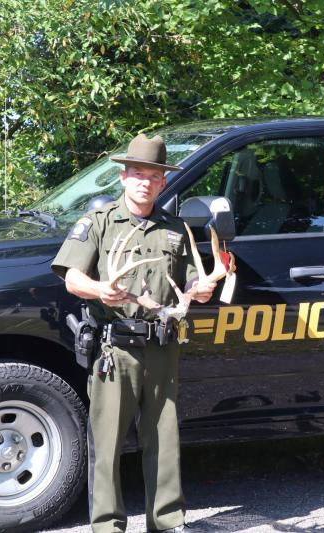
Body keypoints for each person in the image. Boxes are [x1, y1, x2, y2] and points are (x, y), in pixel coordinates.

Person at [52, 133, 216, 533]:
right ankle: (108, 526)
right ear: (124, 177)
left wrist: (202, 288)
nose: (145, 182)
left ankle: (167, 522)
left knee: (163, 438)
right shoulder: (99, 223)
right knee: (106, 444)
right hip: (115, 348)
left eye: (154, 176)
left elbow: (190, 282)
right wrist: (100, 290)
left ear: (163, 183)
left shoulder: (175, 229)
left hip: (162, 345)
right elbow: (72, 277)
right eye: (138, 174)